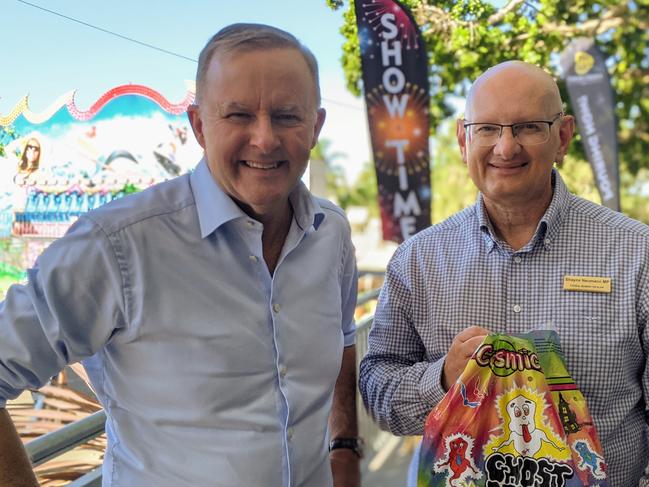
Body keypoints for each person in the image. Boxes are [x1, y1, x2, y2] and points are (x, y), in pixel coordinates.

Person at [0, 23, 361, 487]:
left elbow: (345, 334)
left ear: (316, 127)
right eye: (238, 115)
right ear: (198, 127)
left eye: (288, 116)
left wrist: (345, 444)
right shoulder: (117, 245)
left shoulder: (330, 234)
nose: (265, 138)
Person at [359, 60, 649, 486]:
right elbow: (377, 390)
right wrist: (442, 378)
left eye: (528, 127)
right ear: (463, 139)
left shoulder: (636, 253)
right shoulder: (417, 260)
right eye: (488, 129)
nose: (506, 148)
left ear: (563, 136)